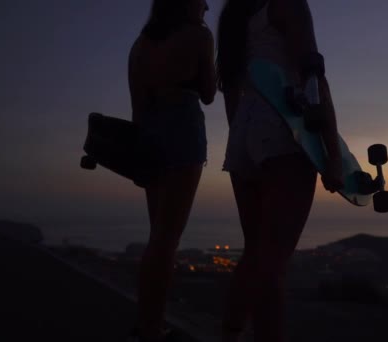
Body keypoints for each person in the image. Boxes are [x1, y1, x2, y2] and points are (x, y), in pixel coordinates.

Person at [216, 0, 343, 341]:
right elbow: (313, 75)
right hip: (284, 128)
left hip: (243, 132)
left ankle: (229, 334)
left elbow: (231, 94)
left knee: (255, 254)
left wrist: (245, 141)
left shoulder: (235, 17)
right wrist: (333, 155)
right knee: (273, 265)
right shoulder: (287, 4)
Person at [128, 0, 215, 341]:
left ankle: (146, 322)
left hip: (149, 132)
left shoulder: (140, 45)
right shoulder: (199, 35)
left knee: (157, 238)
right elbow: (208, 93)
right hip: (182, 127)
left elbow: (138, 107)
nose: (207, 6)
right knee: (167, 241)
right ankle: (151, 329)